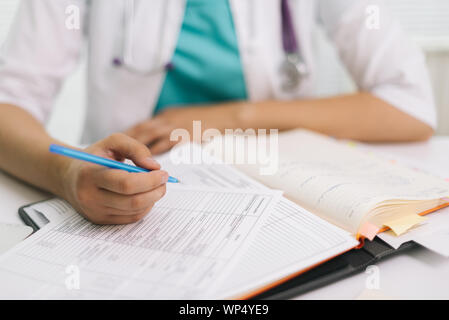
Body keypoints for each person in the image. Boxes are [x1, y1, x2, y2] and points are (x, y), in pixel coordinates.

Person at [0, 0, 436, 224]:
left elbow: (409, 105)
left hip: (279, 196)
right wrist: (69, 174)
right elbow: (8, 104)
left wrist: (232, 118)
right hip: (126, 202)